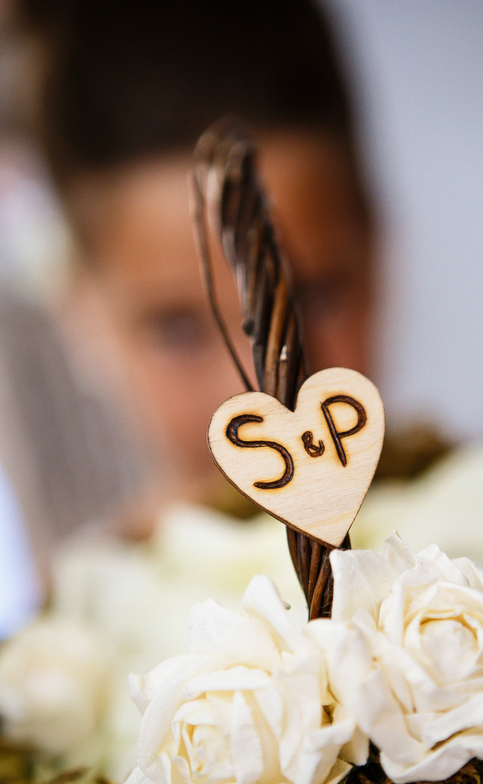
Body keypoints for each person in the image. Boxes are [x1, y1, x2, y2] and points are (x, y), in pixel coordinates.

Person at [19, 0, 376, 527]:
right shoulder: (69, 605)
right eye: (177, 329)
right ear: (78, 313)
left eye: (311, 300)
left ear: (378, 249)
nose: (262, 394)